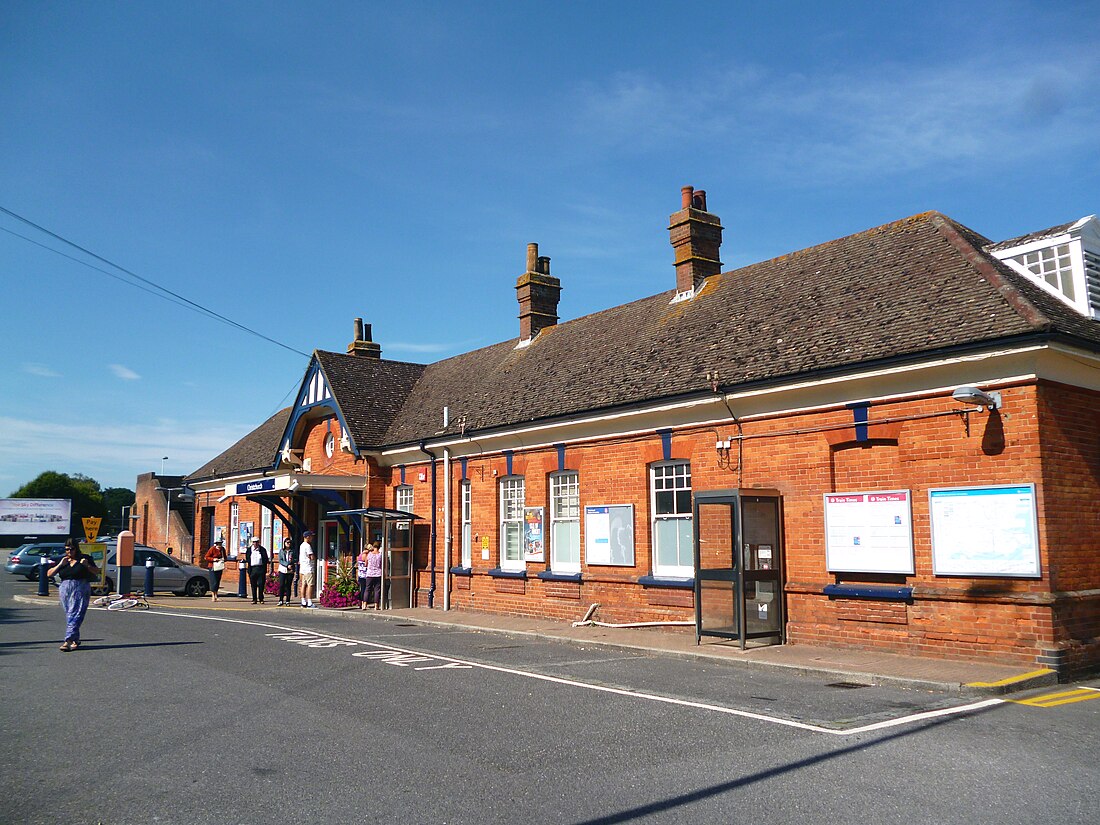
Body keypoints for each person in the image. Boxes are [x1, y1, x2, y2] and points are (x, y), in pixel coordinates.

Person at [48, 538, 99, 651]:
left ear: (77, 549)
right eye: (67, 549)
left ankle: (68, 640)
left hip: (80, 589)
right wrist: (60, 565)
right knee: (70, 615)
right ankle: (76, 640)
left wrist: (87, 566)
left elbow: (97, 571)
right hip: (65, 590)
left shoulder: (84, 558)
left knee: (76, 614)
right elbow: (49, 573)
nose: (69, 551)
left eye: (72, 549)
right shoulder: (63, 560)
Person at [247, 536, 269, 604]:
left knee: (261, 584)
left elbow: (265, 559)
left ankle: (261, 598)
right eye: (254, 542)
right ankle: (254, 599)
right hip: (252, 569)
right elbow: (248, 559)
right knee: (253, 585)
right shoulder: (249, 550)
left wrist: (265, 569)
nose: (255, 543)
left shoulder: (262, 549)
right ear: (252, 543)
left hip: (261, 569)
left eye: (256, 542)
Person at [298, 530, 316, 608]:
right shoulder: (308, 546)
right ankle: (309, 602)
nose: (312, 538)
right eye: (311, 536)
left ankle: (303, 601)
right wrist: (314, 558)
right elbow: (311, 557)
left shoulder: (301, 545)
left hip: (302, 568)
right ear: (307, 537)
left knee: (303, 585)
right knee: (310, 585)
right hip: (308, 568)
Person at [276, 537, 295, 606]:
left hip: (290, 571)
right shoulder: (282, 551)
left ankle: (287, 601)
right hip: (282, 570)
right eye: (287, 542)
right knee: (281, 585)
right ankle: (281, 600)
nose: (288, 544)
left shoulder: (293, 551)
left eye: (290, 542)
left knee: (288, 586)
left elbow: (295, 559)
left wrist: (291, 564)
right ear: (284, 543)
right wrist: (287, 565)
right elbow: (280, 560)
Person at [364, 542, 383, 610]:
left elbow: (366, 563)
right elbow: (382, 565)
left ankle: (364, 605)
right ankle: (376, 606)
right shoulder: (380, 555)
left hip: (369, 574)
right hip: (378, 574)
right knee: (377, 590)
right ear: (379, 547)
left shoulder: (369, 554)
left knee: (367, 589)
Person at [356, 544, 370, 610]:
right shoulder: (365, 555)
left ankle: (360, 603)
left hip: (360, 574)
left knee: (362, 589)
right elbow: (367, 564)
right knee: (365, 590)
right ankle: (363, 603)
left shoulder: (360, 555)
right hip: (365, 574)